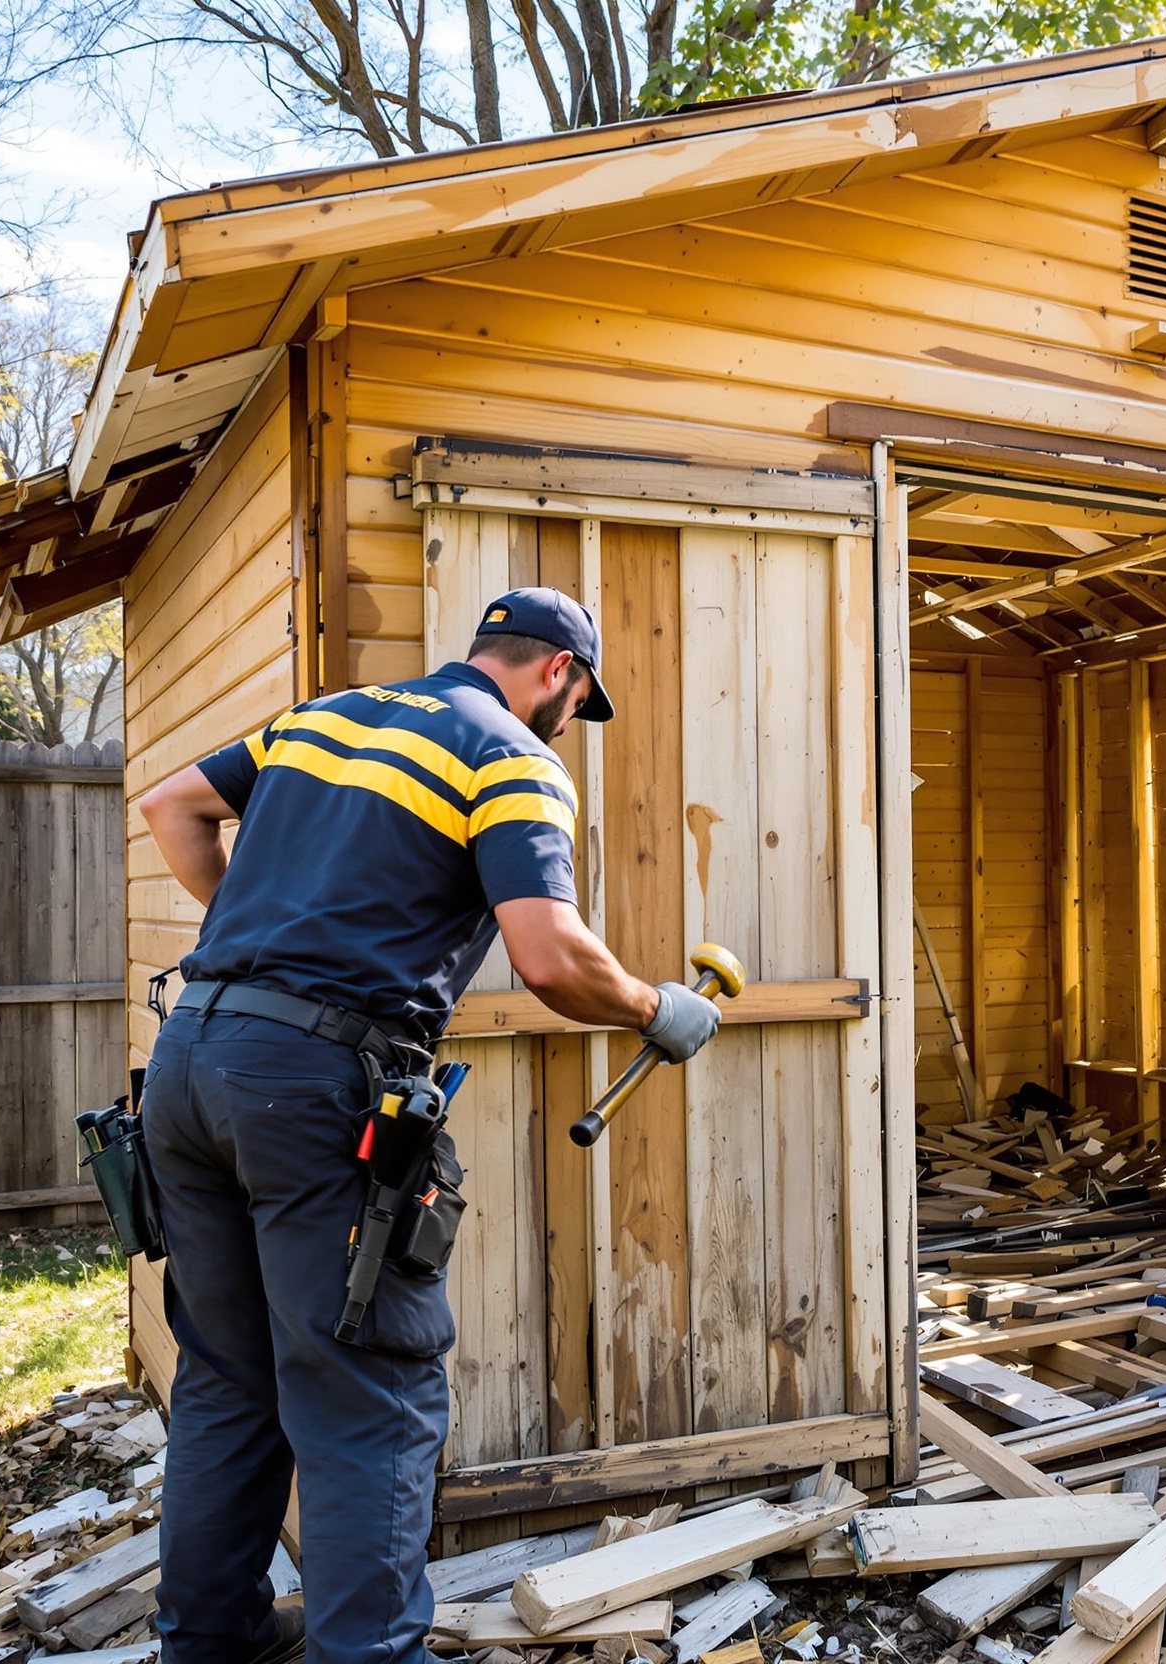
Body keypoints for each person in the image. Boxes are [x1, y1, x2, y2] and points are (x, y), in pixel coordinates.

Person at [135, 590, 719, 1664]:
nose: (568, 722)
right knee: (369, 1384)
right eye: (577, 702)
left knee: (227, 1370)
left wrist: (249, 944)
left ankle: (209, 1641)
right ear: (560, 675)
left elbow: (172, 806)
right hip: (312, 1087)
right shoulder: (509, 757)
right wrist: (653, 1006)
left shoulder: (326, 716)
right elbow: (548, 954)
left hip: (189, 1062)